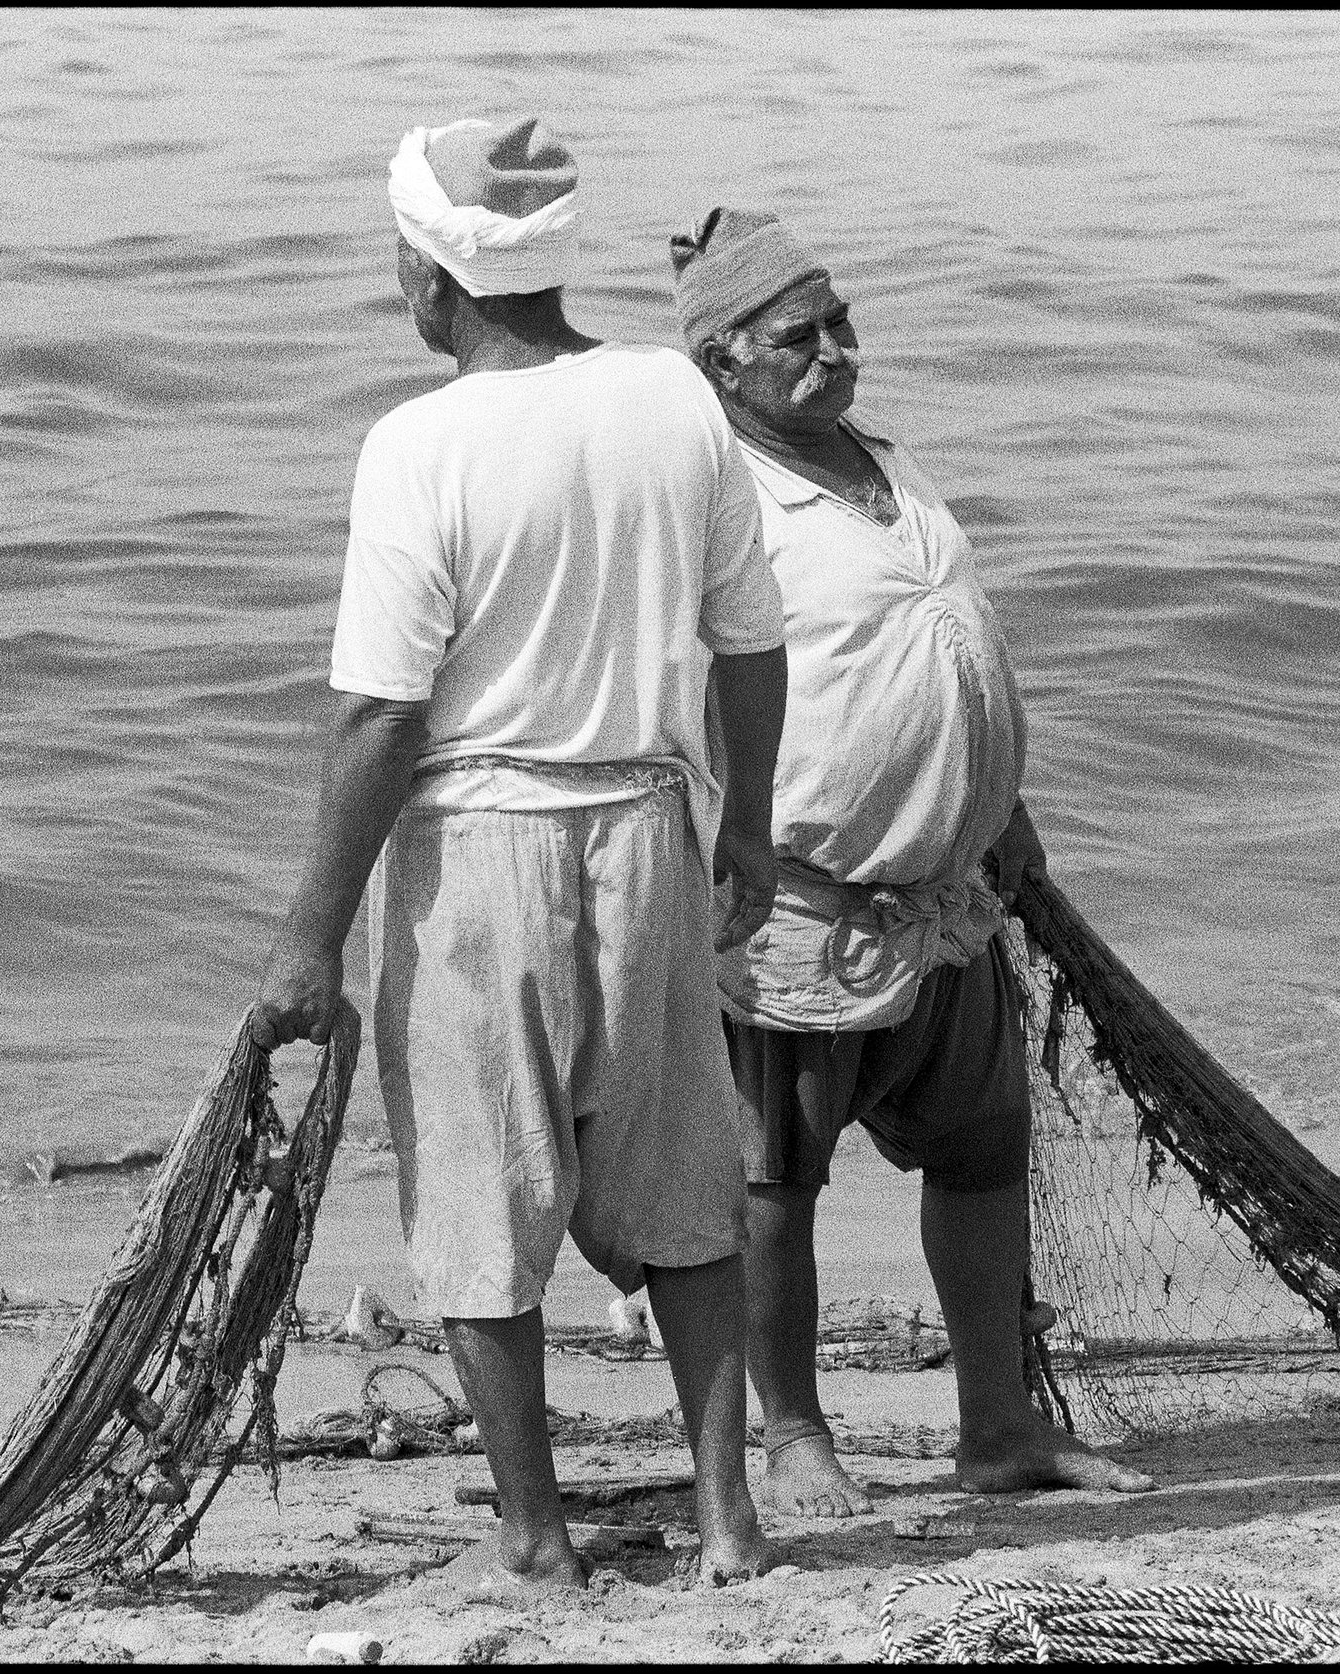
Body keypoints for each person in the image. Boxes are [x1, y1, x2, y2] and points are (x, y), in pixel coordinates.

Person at [252, 120, 788, 1589]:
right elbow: (752, 641)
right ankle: (729, 1519)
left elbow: (378, 718)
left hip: (483, 841)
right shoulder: (673, 399)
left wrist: (310, 936)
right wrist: (742, 820)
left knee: (484, 1193)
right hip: (648, 830)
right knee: (685, 1177)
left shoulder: (416, 445)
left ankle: (536, 1530)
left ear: (431, 278)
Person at [669, 206, 1157, 1516]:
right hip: (798, 909)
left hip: (949, 900)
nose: (834, 351)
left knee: (986, 1151)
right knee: (777, 1180)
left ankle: (997, 1424)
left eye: (842, 323)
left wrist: (1004, 821)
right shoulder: (720, 496)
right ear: (722, 361)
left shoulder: (882, 461)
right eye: (798, 336)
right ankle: (793, 1434)